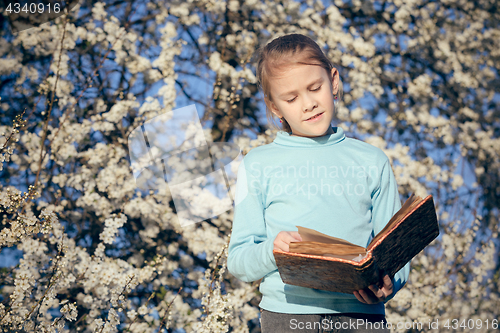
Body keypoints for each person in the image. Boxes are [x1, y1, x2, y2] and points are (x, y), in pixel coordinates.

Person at [227, 33, 410, 333]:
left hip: (363, 316)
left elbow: (397, 249)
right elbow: (239, 260)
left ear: (333, 81)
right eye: (291, 98)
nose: (308, 103)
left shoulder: (371, 160)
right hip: (287, 316)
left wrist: (389, 282)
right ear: (274, 107)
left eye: (315, 88)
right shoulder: (257, 165)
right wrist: (273, 252)